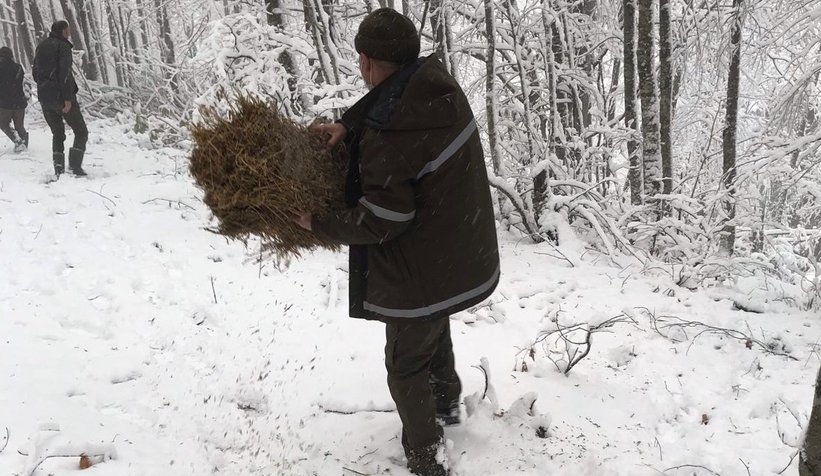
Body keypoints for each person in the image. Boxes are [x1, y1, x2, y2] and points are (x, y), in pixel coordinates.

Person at [295, 8, 500, 476]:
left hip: (422, 267)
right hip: (458, 252)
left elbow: (382, 219)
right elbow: (391, 102)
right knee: (432, 324)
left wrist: (318, 223)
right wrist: (349, 122)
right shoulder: (435, 86)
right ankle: (447, 405)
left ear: (366, 62)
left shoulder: (390, 136)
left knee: (405, 363)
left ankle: (428, 457)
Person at [32, 20, 88, 176]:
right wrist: (67, 99)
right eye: (68, 30)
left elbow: (35, 73)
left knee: (57, 133)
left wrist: (45, 88)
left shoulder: (41, 46)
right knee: (81, 131)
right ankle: (75, 167)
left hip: (45, 97)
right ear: (64, 31)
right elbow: (64, 74)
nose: (69, 33)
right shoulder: (63, 47)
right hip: (61, 97)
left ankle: (59, 169)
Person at [0, 46, 28, 152]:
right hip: (19, 102)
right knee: (19, 126)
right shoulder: (18, 67)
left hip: (5, 103)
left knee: (3, 124)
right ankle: (24, 143)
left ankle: (18, 141)